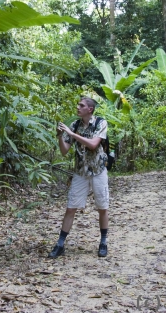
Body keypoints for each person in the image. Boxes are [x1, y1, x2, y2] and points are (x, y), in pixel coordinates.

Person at [48, 97, 110, 258]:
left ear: (90, 109)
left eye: (81, 105)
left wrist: (71, 134)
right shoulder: (75, 125)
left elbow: (93, 144)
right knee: (71, 207)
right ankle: (60, 244)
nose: (78, 107)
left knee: (102, 207)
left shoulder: (100, 123)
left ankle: (103, 242)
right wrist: (61, 136)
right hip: (80, 171)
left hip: (98, 170)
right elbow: (64, 151)